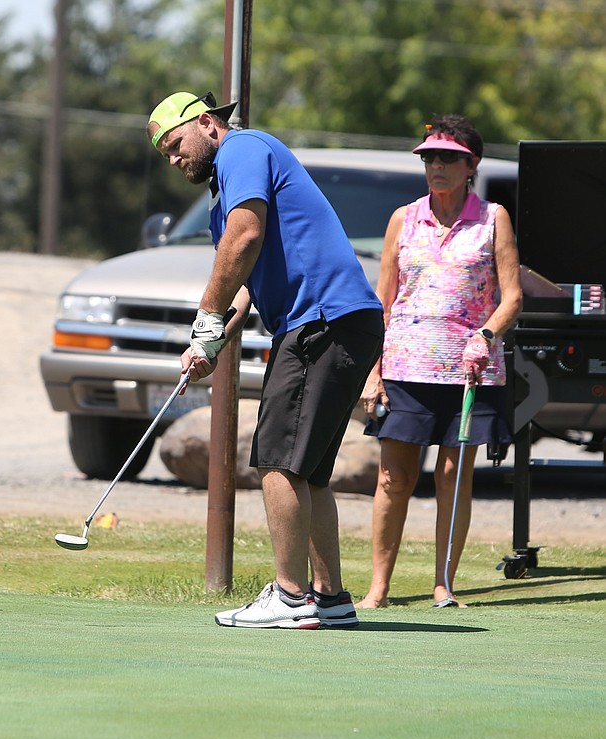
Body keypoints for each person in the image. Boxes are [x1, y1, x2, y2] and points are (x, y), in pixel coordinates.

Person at [146, 91, 384, 629]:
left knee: (277, 459)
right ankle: (331, 599)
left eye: (175, 144)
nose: (174, 158)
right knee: (311, 471)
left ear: (206, 123)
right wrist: (209, 343)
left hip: (320, 322)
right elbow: (246, 283)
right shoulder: (222, 189)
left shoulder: (243, 149)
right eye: (164, 154)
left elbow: (245, 235)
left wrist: (205, 316)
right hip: (339, 322)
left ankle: (289, 596)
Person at [357, 114, 522, 609]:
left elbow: (512, 297)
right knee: (393, 478)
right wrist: (372, 369)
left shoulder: (494, 219)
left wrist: (486, 335)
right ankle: (378, 589)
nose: (437, 166)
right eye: (430, 157)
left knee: (454, 475)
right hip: (404, 367)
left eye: (448, 157)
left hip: (469, 369)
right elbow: (382, 302)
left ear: (471, 164)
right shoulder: (403, 219)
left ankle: (443, 586)